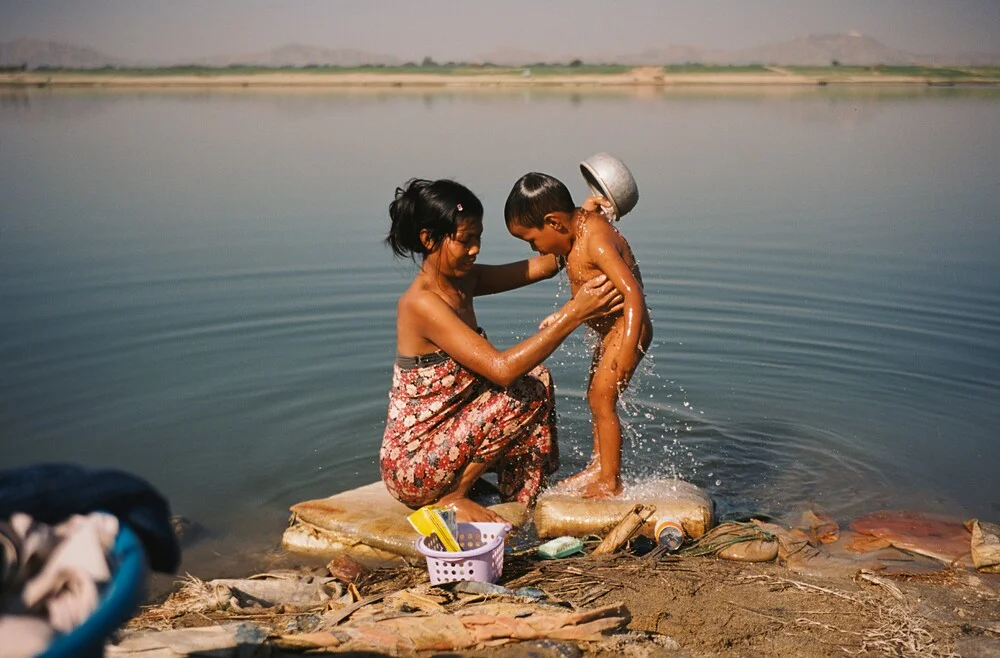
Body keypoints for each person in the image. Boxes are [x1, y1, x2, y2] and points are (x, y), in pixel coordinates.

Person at [379, 178, 624, 523]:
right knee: (524, 387)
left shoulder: (465, 280)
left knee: (533, 382)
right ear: (428, 239)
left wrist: (578, 222)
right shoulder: (420, 303)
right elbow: (502, 369)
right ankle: (452, 496)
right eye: (465, 240)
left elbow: (548, 262)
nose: (475, 249)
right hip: (414, 465)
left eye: (478, 238)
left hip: (449, 446)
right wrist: (576, 313)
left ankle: (521, 500)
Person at [504, 172, 653, 498]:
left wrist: (628, 348)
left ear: (554, 223)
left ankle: (611, 482)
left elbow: (634, 294)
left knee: (602, 398)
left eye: (532, 240)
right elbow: (584, 277)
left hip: (627, 327)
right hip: (613, 329)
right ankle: (599, 466)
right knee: (595, 396)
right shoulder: (577, 226)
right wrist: (564, 313)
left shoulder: (595, 241)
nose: (536, 248)